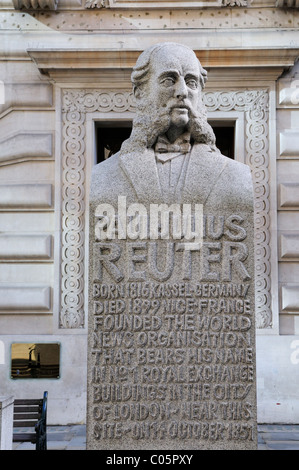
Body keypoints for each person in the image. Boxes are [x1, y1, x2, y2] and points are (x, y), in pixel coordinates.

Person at [91, 42, 253, 211]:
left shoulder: (236, 175)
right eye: (169, 80)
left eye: (191, 82)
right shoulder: (104, 175)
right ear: (139, 93)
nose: (182, 91)